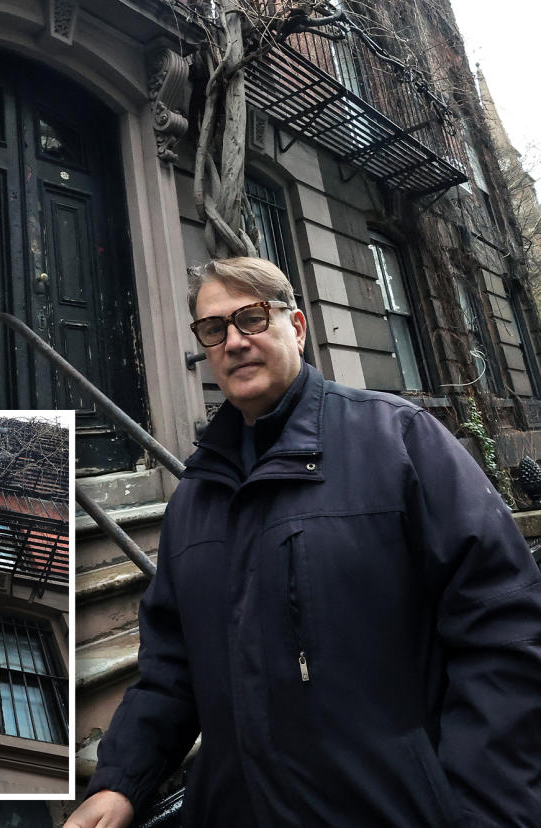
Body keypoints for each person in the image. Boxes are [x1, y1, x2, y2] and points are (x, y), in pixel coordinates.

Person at [65, 257, 541, 827]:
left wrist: (485, 811)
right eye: (214, 329)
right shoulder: (195, 497)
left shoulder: (399, 441)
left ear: (296, 326)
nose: (234, 341)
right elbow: (173, 669)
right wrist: (120, 782)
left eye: (251, 318)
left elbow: (503, 636)